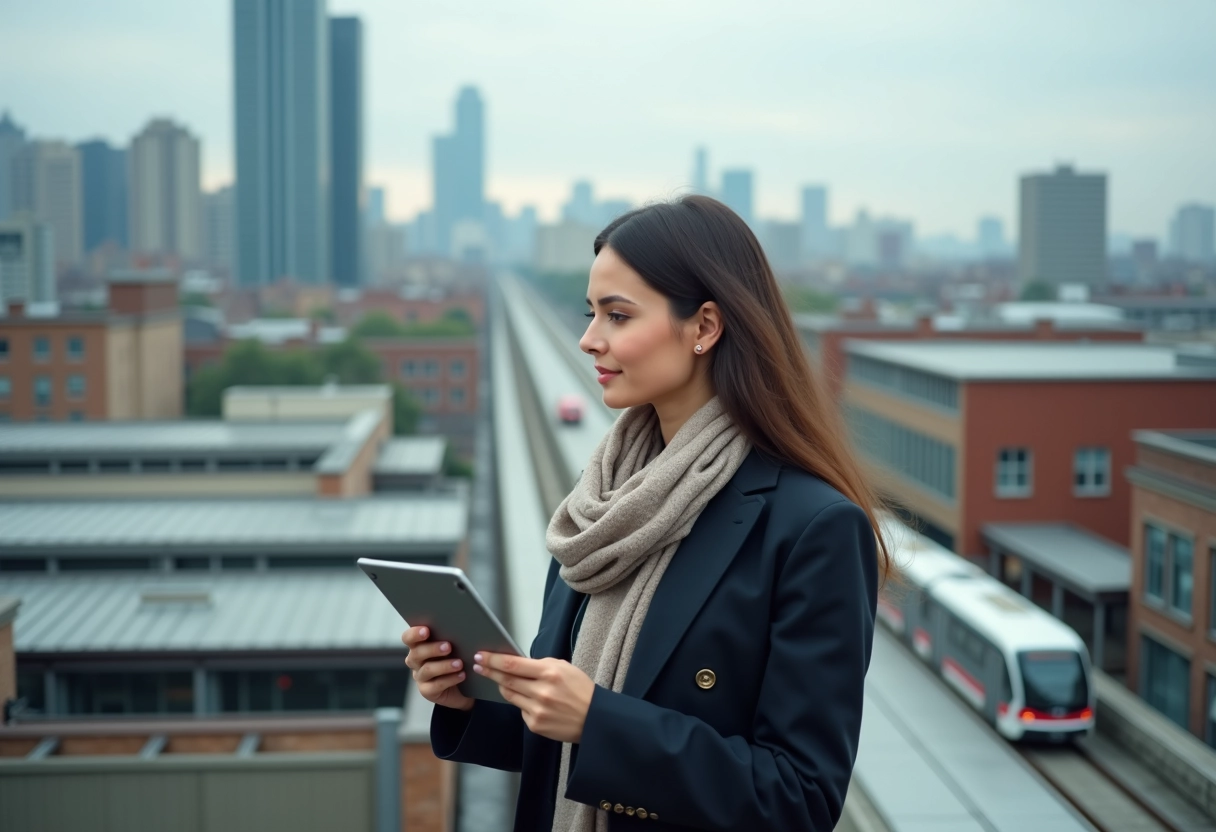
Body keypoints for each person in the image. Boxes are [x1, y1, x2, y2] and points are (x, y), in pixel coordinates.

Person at [403, 195, 890, 831]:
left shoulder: (812, 529)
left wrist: (598, 722)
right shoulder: (602, 503)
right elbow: (555, 747)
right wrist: (468, 699)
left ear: (704, 327)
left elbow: (799, 799)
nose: (587, 339)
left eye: (617, 315)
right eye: (590, 313)